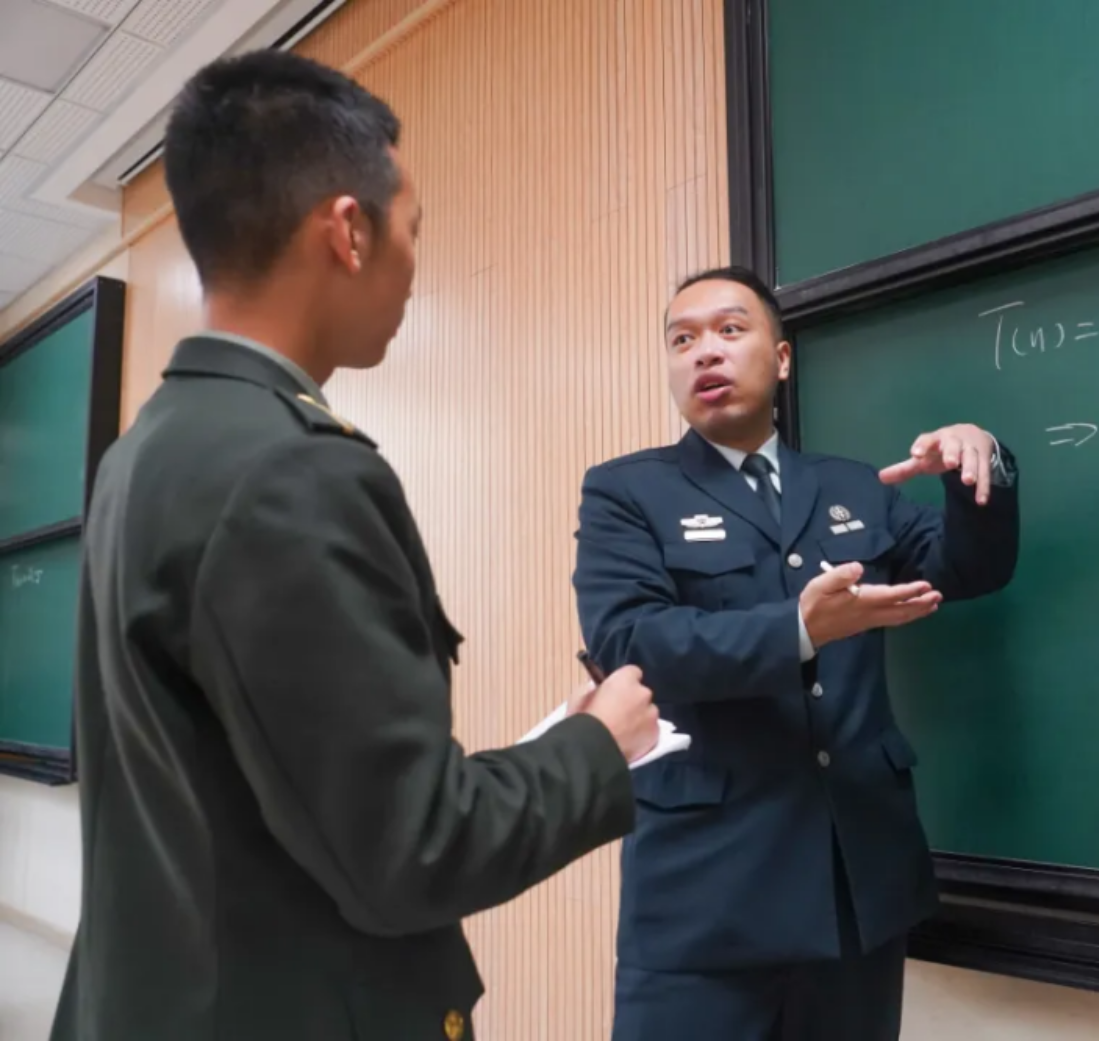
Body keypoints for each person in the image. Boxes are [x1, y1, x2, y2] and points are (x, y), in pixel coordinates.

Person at [50, 51, 660, 1041]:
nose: (415, 264)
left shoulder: (149, 449)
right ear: (348, 230)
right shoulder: (291, 471)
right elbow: (409, 848)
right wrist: (597, 746)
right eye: (413, 228)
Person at [570, 265, 1020, 1040]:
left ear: (781, 358)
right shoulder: (626, 491)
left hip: (855, 884)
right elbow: (629, 641)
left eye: (729, 329)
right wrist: (798, 630)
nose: (704, 352)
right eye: (682, 340)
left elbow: (967, 567)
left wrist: (981, 467)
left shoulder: (852, 485)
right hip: (705, 899)